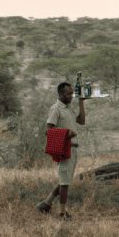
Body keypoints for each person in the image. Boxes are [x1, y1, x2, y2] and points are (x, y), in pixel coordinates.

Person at [38, 81, 86, 219]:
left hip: (73, 149)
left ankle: (46, 204)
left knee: (65, 180)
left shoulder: (68, 107)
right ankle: (62, 213)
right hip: (65, 149)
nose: (71, 96)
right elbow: (48, 130)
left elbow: (81, 121)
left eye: (72, 93)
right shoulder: (56, 108)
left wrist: (81, 102)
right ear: (60, 94)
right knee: (65, 183)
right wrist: (66, 134)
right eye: (68, 94)